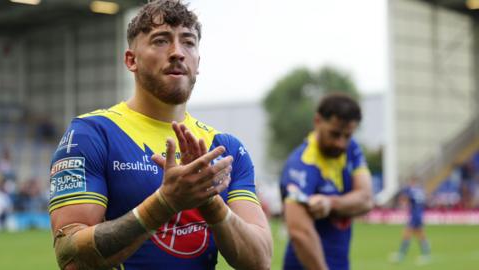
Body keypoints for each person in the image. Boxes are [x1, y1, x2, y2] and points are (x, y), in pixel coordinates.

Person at [48, 1, 272, 269]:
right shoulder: (92, 134)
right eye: (161, 41)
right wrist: (164, 203)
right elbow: (70, 255)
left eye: (188, 42)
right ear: (131, 60)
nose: (177, 52)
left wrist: (209, 200)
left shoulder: (225, 149)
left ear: (197, 62)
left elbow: (259, 261)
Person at [280, 93, 373, 270]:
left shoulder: (351, 149)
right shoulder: (301, 164)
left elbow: (366, 199)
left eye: (347, 135)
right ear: (317, 121)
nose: (341, 143)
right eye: (335, 134)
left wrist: (330, 203)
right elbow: (299, 232)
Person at [391, 177, 431, 265]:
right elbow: (425, 200)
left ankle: (401, 255)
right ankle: (426, 254)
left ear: (412, 182)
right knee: (420, 234)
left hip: (414, 215)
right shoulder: (420, 190)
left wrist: (402, 204)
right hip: (419, 214)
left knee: (407, 234)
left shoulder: (411, 190)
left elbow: (404, 198)